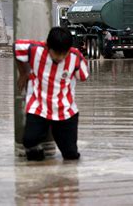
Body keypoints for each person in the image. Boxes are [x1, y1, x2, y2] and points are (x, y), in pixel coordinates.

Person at [14, 27, 89, 161]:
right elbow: (16, 47)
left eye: (63, 54)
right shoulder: (35, 49)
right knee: (29, 141)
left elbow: (83, 76)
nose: (60, 58)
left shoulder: (75, 56)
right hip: (39, 107)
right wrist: (23, 72)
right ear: (48, 47)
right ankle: (38, 172)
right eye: (56, 53)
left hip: (65, 111)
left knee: (70, 155)